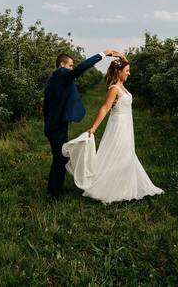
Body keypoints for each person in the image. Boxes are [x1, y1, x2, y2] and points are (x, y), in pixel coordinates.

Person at [69, 57, 163, 203]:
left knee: (126, 153)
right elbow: (105, 108)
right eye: (127, 71)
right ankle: (111, 187)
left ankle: (124, 184)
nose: (129, 73)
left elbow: (124, 63)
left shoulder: (122, 86)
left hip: (127, 124)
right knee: (118, 152)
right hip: (118, 125)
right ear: (118, 72)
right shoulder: (114, 88)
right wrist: (93, 127)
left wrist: (120, 57)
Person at [43, 49, 123, 198]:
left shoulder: (54, 79)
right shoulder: (61, 74)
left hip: (55, 124)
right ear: (62, 65)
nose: (72, 68)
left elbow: (47, 106)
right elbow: (81, 68)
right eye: (71, 65)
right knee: (60, 158)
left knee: (60, 157)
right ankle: (54, 193)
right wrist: (103, 54)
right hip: (56, 127)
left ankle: (55, 189)